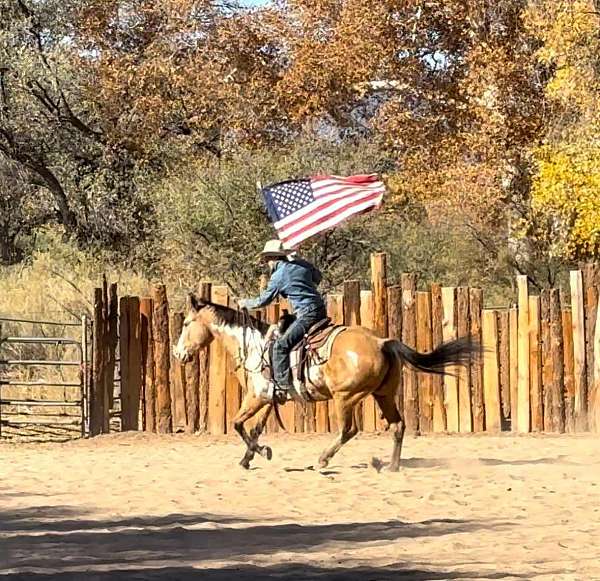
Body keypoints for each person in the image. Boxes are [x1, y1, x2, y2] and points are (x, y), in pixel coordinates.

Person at [238, 240, 326, 400]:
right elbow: (318, 278)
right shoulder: (301, 264)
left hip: (306, 315)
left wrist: (245, 303)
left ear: (272, 258)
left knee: (279, 346)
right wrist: (302, 263)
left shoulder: (278, 276)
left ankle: (283, 387)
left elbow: (263, 301)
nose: (266, 263)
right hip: (320, 310)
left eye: (266, 260)